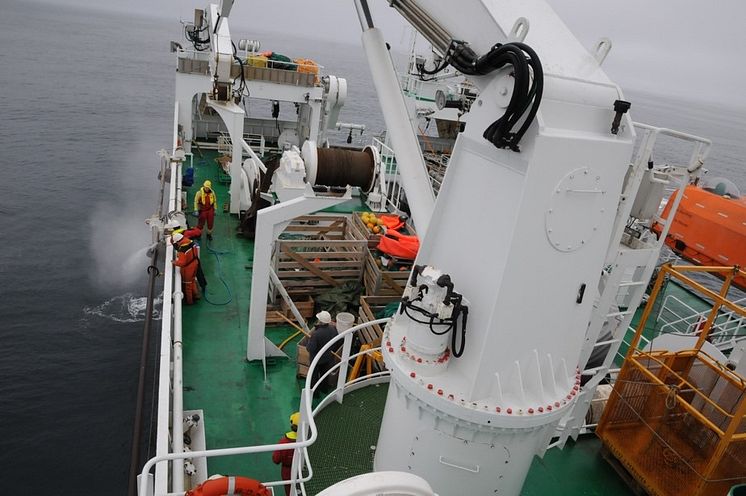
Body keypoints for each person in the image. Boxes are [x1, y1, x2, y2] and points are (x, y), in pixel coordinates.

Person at [306, 311, 338, 392]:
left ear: (320, 321)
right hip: (327, 358)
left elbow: (310, 348)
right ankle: (324, 389)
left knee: (314, 377)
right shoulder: (333, 329)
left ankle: (314, 393)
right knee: (324, 375)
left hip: (316, 360)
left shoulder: (316, 334)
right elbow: (335, 342)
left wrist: (309, 343)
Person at [272, 412, 300, 496]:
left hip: (287, 471)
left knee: (289, 490)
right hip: (302, 468)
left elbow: (276, 459)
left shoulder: (284, 442)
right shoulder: (307, 439)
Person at [171, 232, 201, 305]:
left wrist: (174, 262)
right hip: (195, 263)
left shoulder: (182, 250)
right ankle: (196, 295)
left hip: (188, 269)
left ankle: (189, 301)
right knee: (193, 280)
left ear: (178, 241)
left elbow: (182, 263)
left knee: (187, 286)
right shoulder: (191, 243)